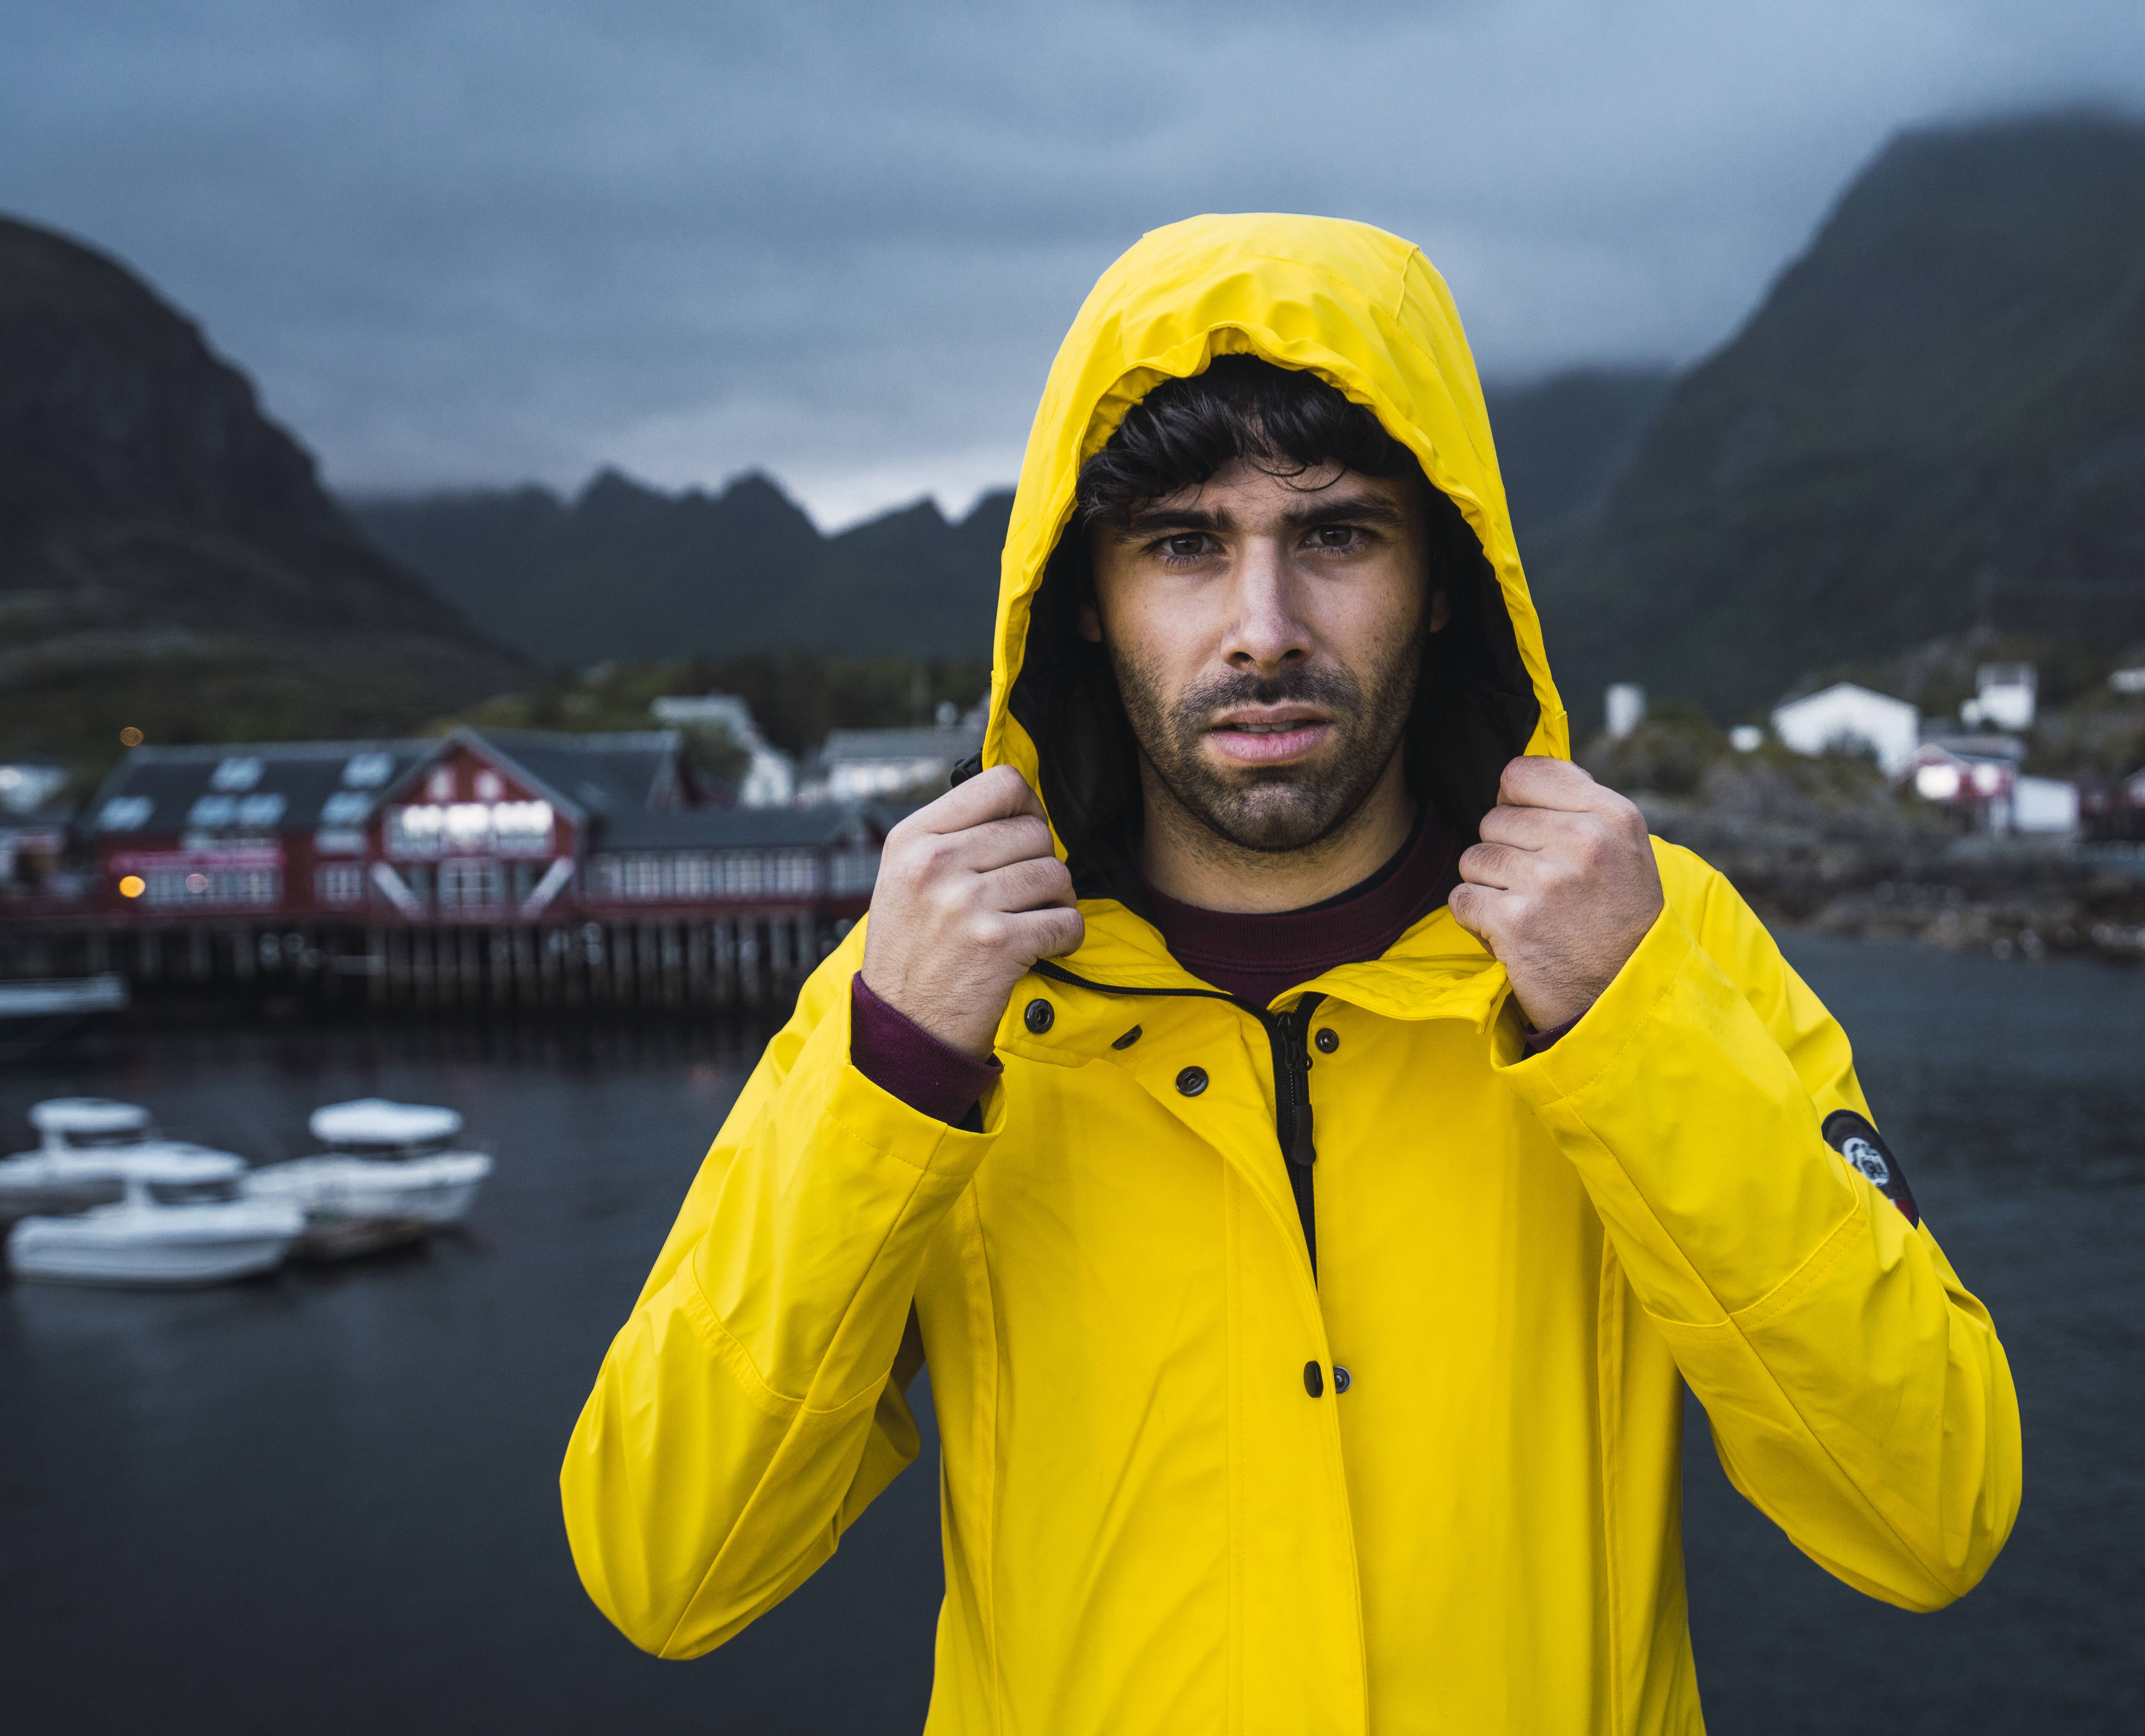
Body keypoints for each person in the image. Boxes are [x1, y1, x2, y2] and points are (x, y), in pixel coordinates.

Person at [562, 213, 2021, 1731]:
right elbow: (665, 1569)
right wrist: (897, 1083)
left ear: (1440, 577)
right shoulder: (927, 993)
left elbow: (1927, 1517)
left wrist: (1630, 1031)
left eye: (1333, 535)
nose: (1262, 632)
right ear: (1085, 595)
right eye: (1183, 544)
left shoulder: (1658, 946)